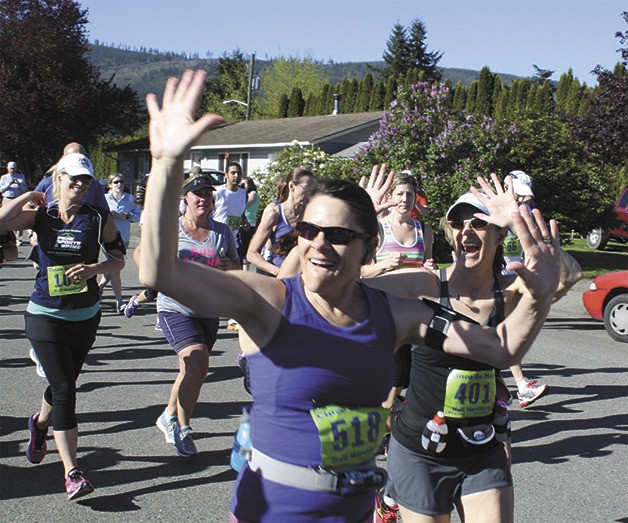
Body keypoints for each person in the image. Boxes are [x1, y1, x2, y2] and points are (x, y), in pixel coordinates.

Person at [139, 70, 562, 522]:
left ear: (368, 247)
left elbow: (500, 349)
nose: (319, 244)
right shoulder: (268, 299)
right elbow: (158, 269)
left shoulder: (398, 315)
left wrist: (538, 295)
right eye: (308, 230)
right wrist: (166, 164)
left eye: (338, 234)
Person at [360, 169, 581, 523]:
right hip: (420, 448)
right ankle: (389, 497)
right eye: (458, 223)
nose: (466, 230)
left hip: (483, 446)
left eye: (477, 223)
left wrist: (518, 221)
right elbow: (349, 287)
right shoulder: (428, 283)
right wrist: (360, 221)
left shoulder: (509, 289)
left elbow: (568, 275)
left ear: (496, 235)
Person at [0, 152, 125, 500]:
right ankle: (73, 472)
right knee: (65, 389)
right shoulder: (42, 215)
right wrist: (27, 196)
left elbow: (119, 260)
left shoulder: (98, 218)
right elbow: (1, 222)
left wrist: (94, 270)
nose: (80, 186)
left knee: (63, 384)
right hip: (44, 313)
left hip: (84, 316)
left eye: (86, 181)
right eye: (74, 179)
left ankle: (39, 426)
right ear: (60, 178)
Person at [153, 173, 240, 457]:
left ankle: (168, 414)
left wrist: (229, 267)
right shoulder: (173, 229)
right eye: (197, 193)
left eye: (208, 194)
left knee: (191, 371)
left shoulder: (222, 232)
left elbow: (237, 266)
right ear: (185, 199)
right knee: (198, 362)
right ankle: (182, 426)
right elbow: (149, 258)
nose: (204, 198)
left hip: (208, 309)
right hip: (174, 307)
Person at [502, 170, 549, 408]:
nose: (522, 200)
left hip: (520, 279)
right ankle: (520, 385)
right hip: (498, 279)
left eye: (525, 197)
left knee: (510, 332)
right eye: (518, 195)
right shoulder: (497, 210)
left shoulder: (526, 212)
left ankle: (516, 385)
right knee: (506, 333)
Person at [246, 166, 317, 276]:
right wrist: (279, 272)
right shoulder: (274, 214)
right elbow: (252, 254)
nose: (310, 195)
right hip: (277, 278)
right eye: (307, 189)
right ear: (292, 186)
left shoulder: (311, 215)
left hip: (303, 279)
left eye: (313, 191)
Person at [98, 173, 142, 313]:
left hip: (124, 238)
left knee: (111, 269)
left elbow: (140, 215)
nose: (119, 184)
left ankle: (98, 291)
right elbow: (97, 215)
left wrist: (127, 216)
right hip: (108, 238)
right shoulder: (104, 199)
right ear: (110, 184)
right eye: (116, 182)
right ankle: (120, 301)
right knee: (116, 269)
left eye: (121, 182)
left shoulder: (130, 199)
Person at [0, 161, 29, 244]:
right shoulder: (4, 178)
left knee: (19, 218)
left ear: (16, 168)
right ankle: (7, 237)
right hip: (7, 199)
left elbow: (25, 189)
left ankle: (19, 238)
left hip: (17, 199)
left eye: (14, 168)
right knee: (5, 218)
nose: (12, 170)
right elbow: (1, 190)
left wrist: (19, 184)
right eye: (11, 169)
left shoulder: (20, 177)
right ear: (7, 168)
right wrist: (9, 184)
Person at [239, 176, 261, 269]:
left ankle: (246, 271)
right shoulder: (242, 194)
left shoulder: (253, 193)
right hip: (240, 223)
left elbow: (245, 204)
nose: (243, 185)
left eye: (245, 183)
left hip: (249, 223)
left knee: (245, 249)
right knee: (239, 249)